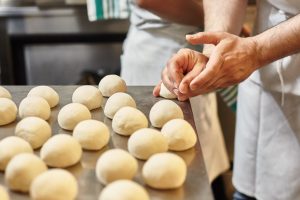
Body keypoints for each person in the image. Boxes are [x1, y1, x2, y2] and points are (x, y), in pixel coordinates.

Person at [158, 0, 300, 199]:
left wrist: (258, 49)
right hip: (264, 72)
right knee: (249, 191)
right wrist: (213, 53)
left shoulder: (257, 50)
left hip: (263, 48)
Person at [87, 0, 231, 187]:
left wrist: (222, 26)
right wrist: (219, 20)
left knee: (197, 168)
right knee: (148, 164)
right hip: (160, 53)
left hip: (197, 54)